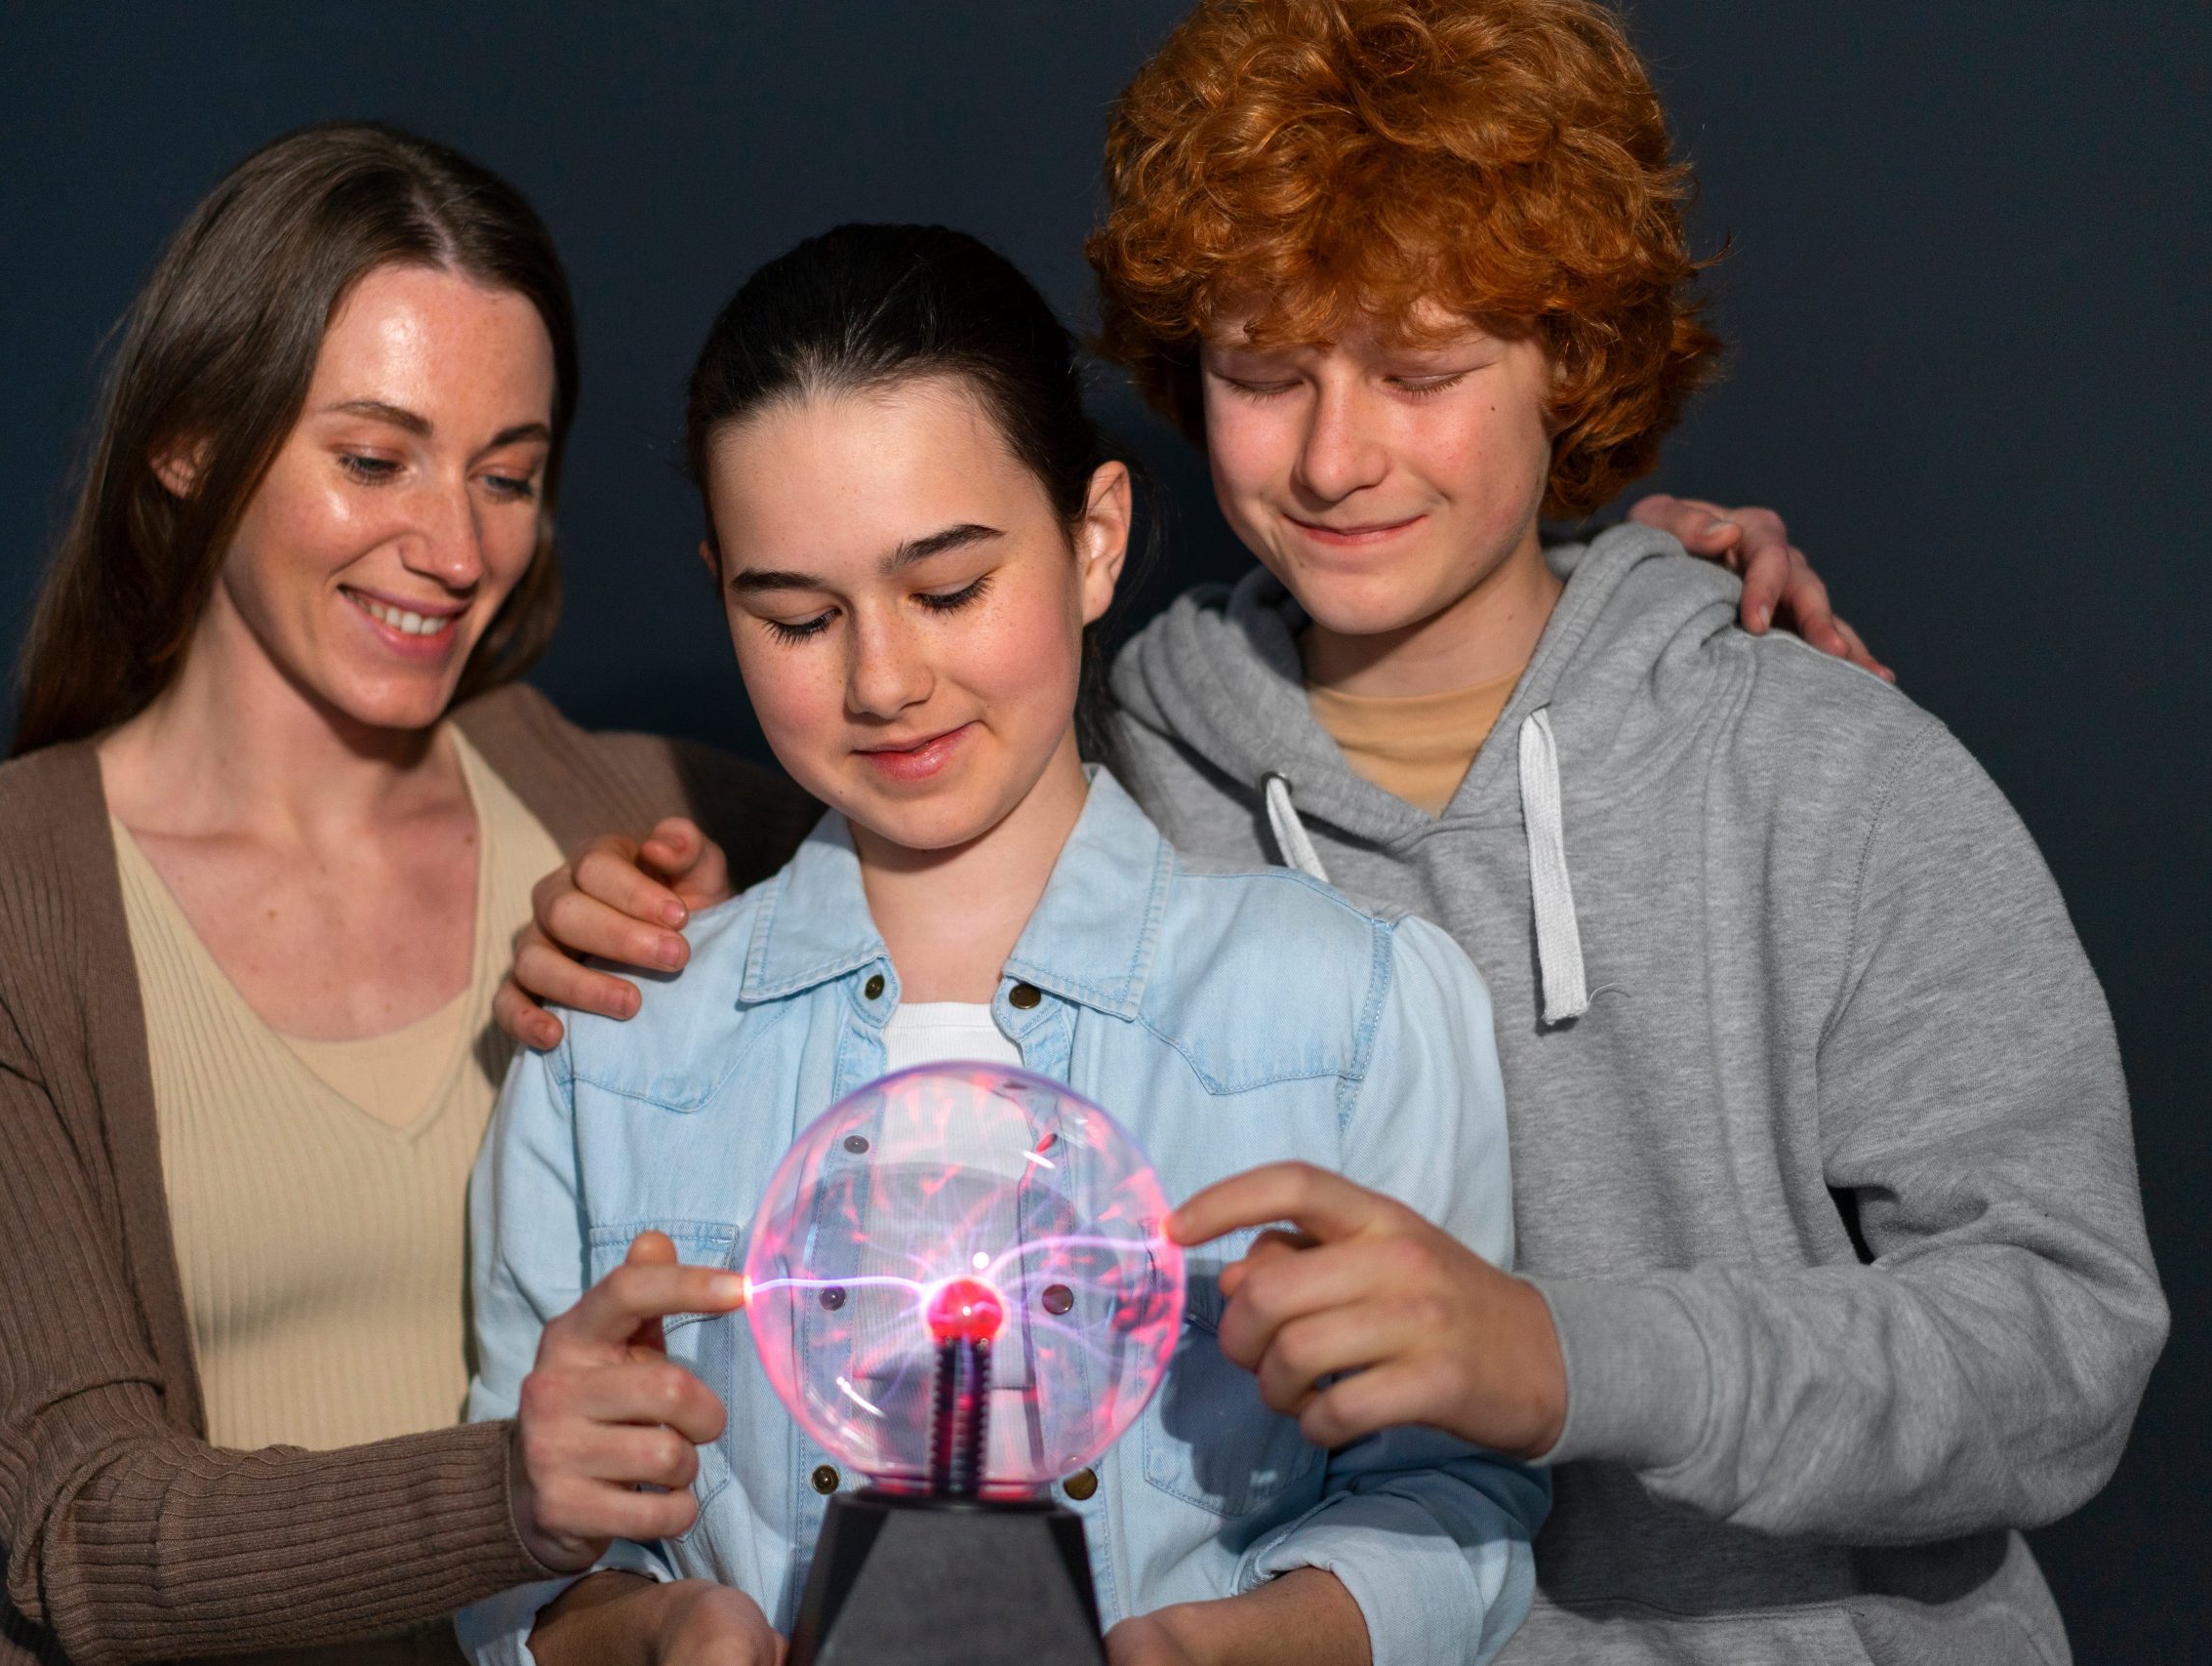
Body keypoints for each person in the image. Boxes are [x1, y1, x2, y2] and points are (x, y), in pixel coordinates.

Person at [501, 3, 2167, 1662]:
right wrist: (643, 875)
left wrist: (1564, 1359)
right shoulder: (1143, 744)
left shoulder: (1818, 764)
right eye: (1262, 374)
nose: (1334, 458)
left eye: (1421, 372)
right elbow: (901, 811)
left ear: (1571, 361)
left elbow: (2068, 1342)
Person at [457, 223, 1546, 1666]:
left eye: (950, 590)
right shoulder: (609, 1047)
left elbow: (1454, 1504)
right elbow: (511, 1561)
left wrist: (1233, 1648)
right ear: (721, 588)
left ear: (1095, 538)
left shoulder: (1351, 1009)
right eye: (798, 617)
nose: (885, 681)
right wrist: (658, 1631)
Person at [0, 123, 807, 1666]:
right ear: (188, 441)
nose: (455, 548)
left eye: (508, 476)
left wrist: (781, 931)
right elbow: (81, 1531)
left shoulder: (669, 829)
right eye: (372, 459)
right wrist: (509, 1491)